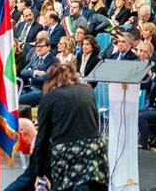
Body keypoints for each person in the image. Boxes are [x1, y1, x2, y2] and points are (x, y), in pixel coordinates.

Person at [30, 63, 106, 191]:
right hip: (96, 148)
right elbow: (95, 122)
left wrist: (39, 173)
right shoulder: (88, 91)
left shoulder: (49, 98)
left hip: (67, 150)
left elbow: (42, 138)